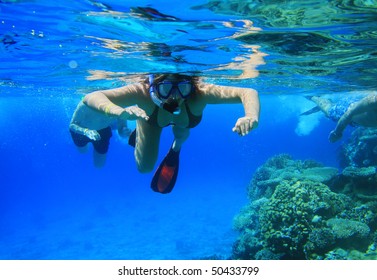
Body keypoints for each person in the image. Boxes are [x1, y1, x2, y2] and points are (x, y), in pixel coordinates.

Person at [82, 73, 260, 193]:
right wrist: (117, 111)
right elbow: (91, 97)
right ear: (153, 87)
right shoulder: (141, 92)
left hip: (184, 122)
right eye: (166, 89)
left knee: (181, 132)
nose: (175, 97)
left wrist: (251, 116)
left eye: (183, 89)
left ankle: (177, 144)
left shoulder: (200, 93)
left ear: (191, 86)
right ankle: (132, 127)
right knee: (144, 168)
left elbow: (248, 92)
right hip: (150, 119)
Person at [69, 100, 134, 167]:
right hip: (82, 131)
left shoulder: (120, 106)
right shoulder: (85, 104)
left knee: (99, 165)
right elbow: (72, 125)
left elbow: (121, 131)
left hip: (103, 132)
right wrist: (86, 131)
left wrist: (124, 132)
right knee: (83, 152)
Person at [302, 93, 377, 142]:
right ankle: (313, 97)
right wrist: (337, 133)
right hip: (345, 109)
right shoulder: (374, 100)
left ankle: (328, 104)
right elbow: (349, 113)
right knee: (328, 110)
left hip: (356, 120)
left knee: (329, 110)